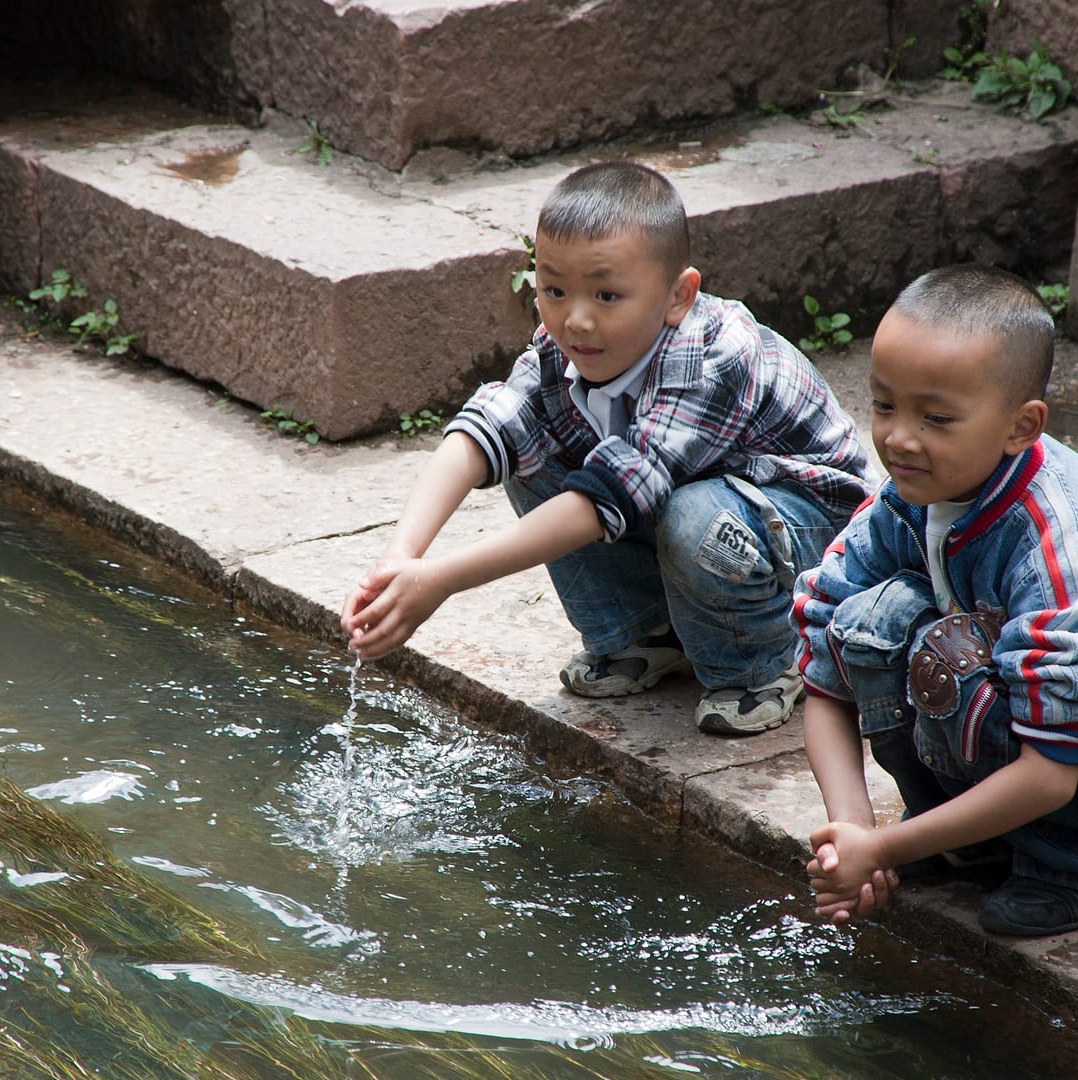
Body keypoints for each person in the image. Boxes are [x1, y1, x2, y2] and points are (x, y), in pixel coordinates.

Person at [342, 161, 872, 736]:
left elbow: (606, 498)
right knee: (532, 450)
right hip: (707, 511)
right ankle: (643, 633)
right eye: (554, 290)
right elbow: (487, 427)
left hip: (811, 535)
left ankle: (761, 661)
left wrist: (441, 580)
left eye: (607, 294)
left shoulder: (713, 357)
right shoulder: (563, 344)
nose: (576, 319)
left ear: (678, 295)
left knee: (695, 517)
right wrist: (401, 557)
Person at [792, 264, 1078, 936]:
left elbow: (1050, 771)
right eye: (884, 405)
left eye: (936, 417)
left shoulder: (1060, 547)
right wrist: (852, 830)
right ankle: (965, 835)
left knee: (946, 651)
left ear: (1022, 426)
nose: (900, 437)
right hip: (1021, 723)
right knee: (868, 622)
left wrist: (883, 851)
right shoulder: (907, 497)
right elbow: (821, 655)